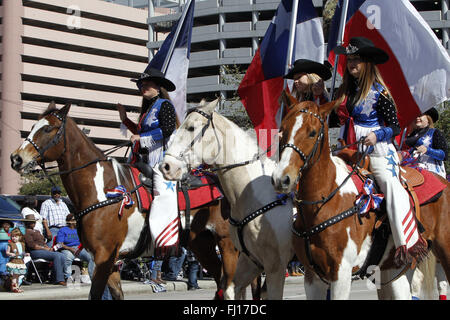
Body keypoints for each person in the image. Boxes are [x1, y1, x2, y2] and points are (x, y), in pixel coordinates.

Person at [329, 37, 428, 266]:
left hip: (378, 149)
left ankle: (408, 241)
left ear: (367, 63)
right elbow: (334, 119)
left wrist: (376, 135)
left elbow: (394, 127)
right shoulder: (345, 91)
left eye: (357, 59)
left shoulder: (379, 91)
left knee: (390, 186)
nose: (352, 63)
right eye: (349, 59)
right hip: (351, 145)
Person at [116, 68, 179, 258]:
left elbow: (167, 130)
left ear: (158, 87)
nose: (143, 87)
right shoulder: (148, 110)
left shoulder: (165, 105)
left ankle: (166, 237)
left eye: (147, 84)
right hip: (145, 157)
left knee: (162, 192)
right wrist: (124, 119)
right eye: (141, 85)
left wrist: (141, 138)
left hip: (163, 158)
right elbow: (139, 132)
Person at [23, 214, 67, 286]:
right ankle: (58, 279)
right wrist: (46, 249)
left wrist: (49, 248)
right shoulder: (27, 232)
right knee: (57, 256)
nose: (33, 224)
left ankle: (54, 277)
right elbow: (32, 245)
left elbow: (43, 242)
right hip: (34, 252)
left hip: (42, 249)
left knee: (61, 255)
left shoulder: (36, 231)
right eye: (31, 222)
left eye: (34, 222)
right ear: (27, 223)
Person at [404, 108, 447, 178]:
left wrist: (427, 150)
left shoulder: (435, 132)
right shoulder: (407, 137)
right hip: (411, 171)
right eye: (415, 116)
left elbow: (443, 155)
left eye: (420, 115)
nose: (417, 117)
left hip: (432, 172)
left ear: (428, 119)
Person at [55, 214, 94, 283]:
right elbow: (60, 244)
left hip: (79, 248)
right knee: (68, 257)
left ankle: (92, 276)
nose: (76, 221)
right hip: (67, 248)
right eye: (74, 220)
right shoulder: (63, 230)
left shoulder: (79, 230)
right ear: (69, 221)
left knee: (90, 257)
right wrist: (70, 249)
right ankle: (68, 276)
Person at [5, 228, 28, 293]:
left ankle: (17, 287)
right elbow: (7, 252)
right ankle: (14, 287)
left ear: (19, 237)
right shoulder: (11, 244)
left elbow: (22, 252)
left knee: (18, 275)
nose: (14, 238)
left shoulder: (22, 244)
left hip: (20, 261)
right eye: (12, 236)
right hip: (14, 261)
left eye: (15, 236)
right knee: (15, 275)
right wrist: (10, 254)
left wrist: (25, 254)